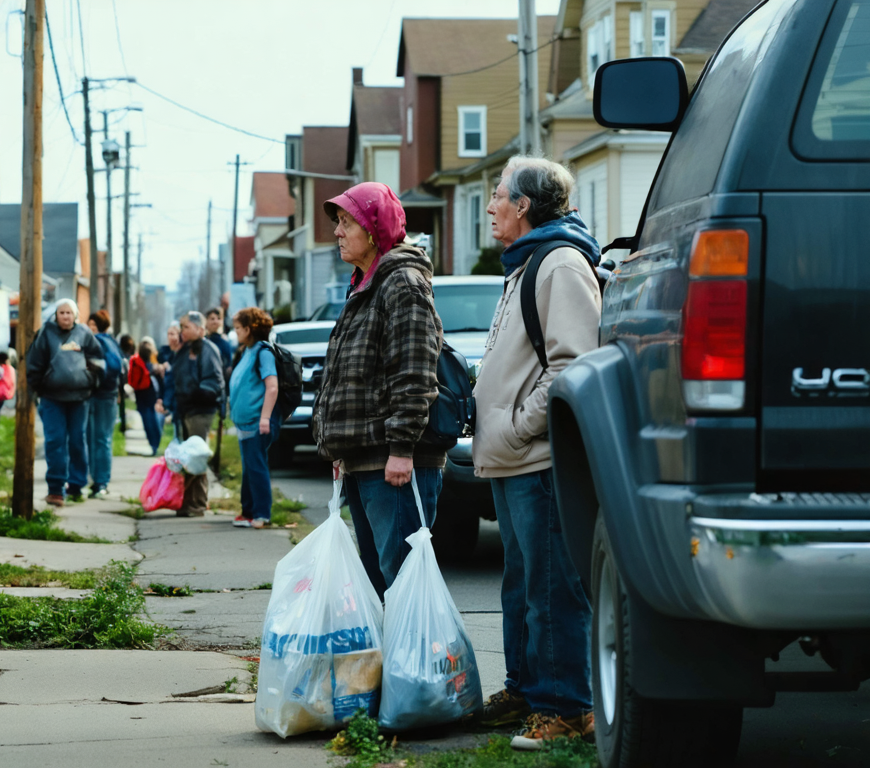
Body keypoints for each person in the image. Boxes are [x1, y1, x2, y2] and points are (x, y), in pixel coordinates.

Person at [471, 157, 600, 749]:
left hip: (538, 460)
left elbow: (572, 365)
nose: (492, 206)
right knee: (522, 587)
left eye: (498, 195)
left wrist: (520, 428)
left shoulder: (560, 264)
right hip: (509, 457)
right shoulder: (525, 264)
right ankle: (526, 690)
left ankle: (568, 709)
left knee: (552, 589)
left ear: (524, 205)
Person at [311, 181, 445, 600]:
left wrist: (402, 448)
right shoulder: (363, 285)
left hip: (394, 462)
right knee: (379, 584)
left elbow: (414, 370)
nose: (337, 232)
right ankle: (391, 666)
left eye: (346, 222)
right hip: (364, 458)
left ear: (373, 229)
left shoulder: (401, 283)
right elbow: (349, 376)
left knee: (403, 584)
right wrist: (339, 449)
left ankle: (416, 667)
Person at [26, 299, 105, 506]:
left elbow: (98, 358)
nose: (65, 316)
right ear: (56, 315)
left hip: (80, 398)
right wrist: (39, 388)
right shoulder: (46, 333)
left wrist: (91, 379)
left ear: (76, 315)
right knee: (55, 442)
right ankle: (55, 489)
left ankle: (77, 485)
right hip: (52, 399)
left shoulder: (84, 333)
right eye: (61, 312)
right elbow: (34, 363)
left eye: (69, 312)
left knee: (78, 441)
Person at [155, 311, 222, 517]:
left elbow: (214, 382)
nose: (182, 331)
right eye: (181, 327)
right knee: (187, 459)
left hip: (200, 411)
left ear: (199, 329)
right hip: (185, 411)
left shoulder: (207, 350)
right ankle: (189, 501)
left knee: (196, 457)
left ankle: (197, 504)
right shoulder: (184, 350)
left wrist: (195, 395)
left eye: (185, 327)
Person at [228, 308, 279, 529]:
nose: (236, 332)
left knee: (256, 466)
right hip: (246, 422)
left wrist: (265, 418)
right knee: (249, 467)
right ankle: (248, 511)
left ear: (249, 329)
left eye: (238, 328)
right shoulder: (247, 350)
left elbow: (272, 387)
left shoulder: (262, 352)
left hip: (257, 422)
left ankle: (261, 514)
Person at [84, 310, 122, 499]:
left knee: (98, 440)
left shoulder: (98, 341)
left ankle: (99, 481)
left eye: (93, 325)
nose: (90, 328)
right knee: (100, 439)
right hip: (107, 395)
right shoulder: (112, 342)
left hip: (99, 395)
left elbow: (113, 368)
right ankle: (99, 482)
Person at [129, 337, 163, 456]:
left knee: (150, 420)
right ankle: (155, 445)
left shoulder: (145, 360)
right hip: (147, 394)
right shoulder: (143, 360)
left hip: (146, 395)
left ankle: (154, 444)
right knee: (150, 419)